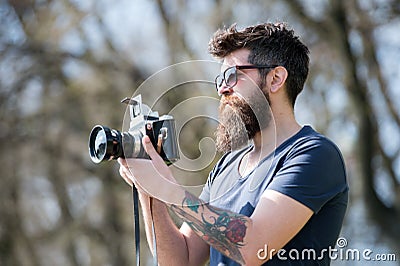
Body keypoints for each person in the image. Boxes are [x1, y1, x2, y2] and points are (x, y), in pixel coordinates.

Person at [118, 22, 348, 265]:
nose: (222, 89)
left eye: (232, 76)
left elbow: (252, 247)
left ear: (275, 79)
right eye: (220, 79)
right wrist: (148, 189)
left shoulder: (314, 155)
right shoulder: (225, 167)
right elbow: (181, 260)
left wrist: (166, 187)